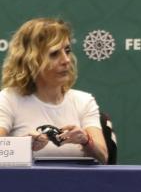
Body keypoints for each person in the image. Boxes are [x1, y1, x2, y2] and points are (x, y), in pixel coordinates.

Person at [0, 18, 108, 163]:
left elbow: (103, 157)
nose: (66, 60)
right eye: (54, 54)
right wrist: (24, 145)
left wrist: (86, 140)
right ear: (31, 60)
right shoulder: (9, 99)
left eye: (67, 51)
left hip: (77, 179)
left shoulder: (84, 101)